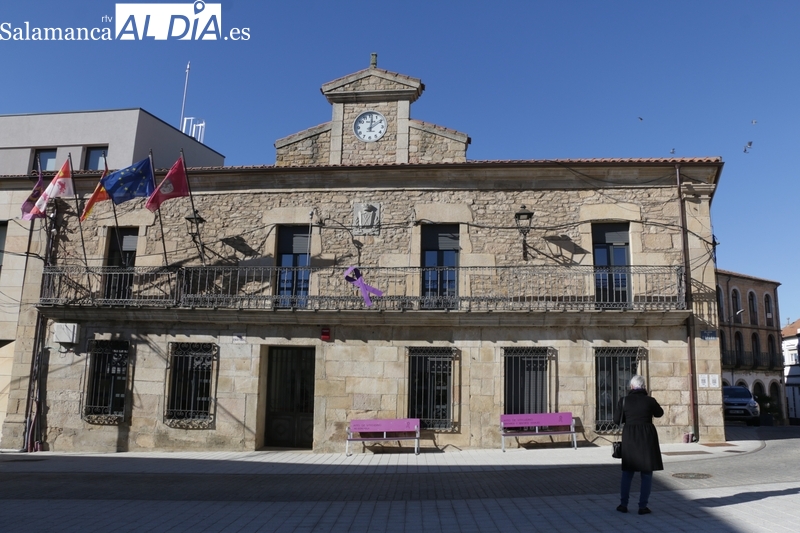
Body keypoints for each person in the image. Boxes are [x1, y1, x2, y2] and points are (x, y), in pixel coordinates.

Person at [613, 374, 664, 515]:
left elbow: (616, 420)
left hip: (630, 437)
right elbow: (659, 413)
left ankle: (623, 504)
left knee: (627, 473)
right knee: (646, 473)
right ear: (644, 387)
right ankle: (643, 506)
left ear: (631, 387)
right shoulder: (650, 401)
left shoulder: (624, 401)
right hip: (647, 438)